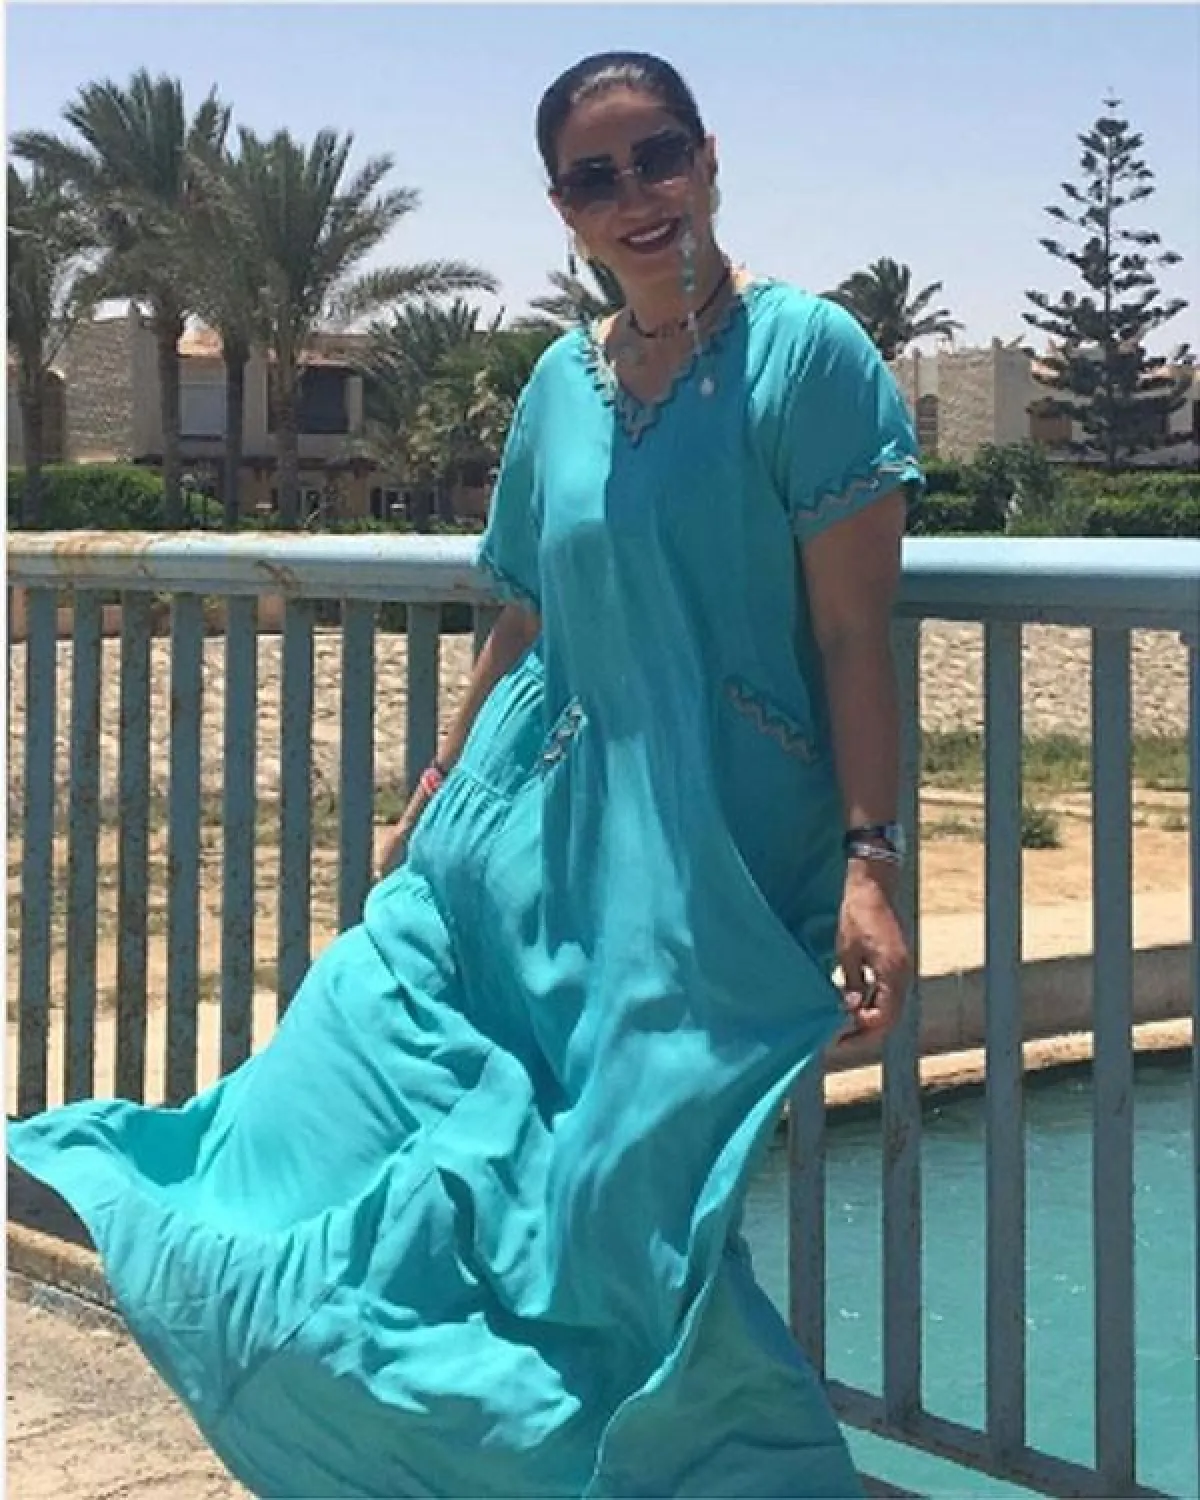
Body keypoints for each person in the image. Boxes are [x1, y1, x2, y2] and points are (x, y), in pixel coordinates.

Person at [9, 50, 921, 1499]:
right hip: (513, 838)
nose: (637, 195)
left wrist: (872, 862)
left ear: (710, 158)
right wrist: (439, 767)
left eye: (659, 155)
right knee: (316, 1097)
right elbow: (525, 606)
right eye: (595, 176)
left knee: (611, 1217)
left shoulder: (808, 358)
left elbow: (854, 633)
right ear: (562, 207)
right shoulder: (560, 384)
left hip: (710, 872)